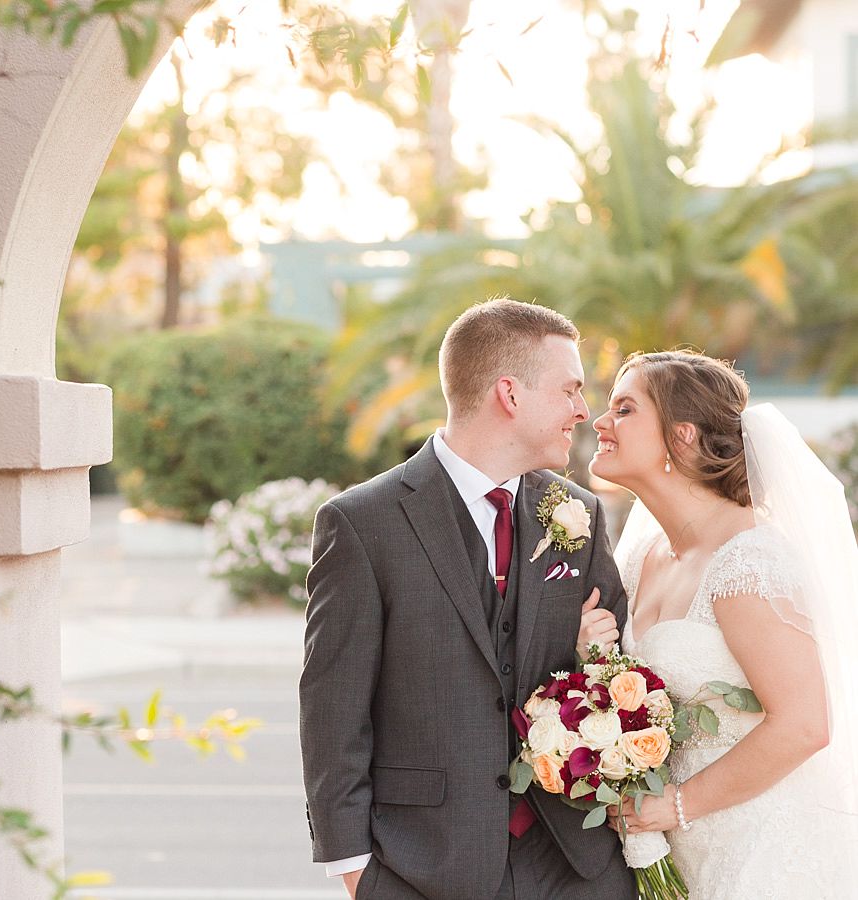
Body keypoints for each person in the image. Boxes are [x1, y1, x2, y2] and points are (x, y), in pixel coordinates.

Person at [300, 298, 636, 899]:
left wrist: (590, 654)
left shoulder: (578, 514)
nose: (583, 411)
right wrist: (354, 868)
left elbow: (615, 676)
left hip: (573, 863)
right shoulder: (363, 523)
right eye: (570, 390)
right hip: (421, 865)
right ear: (510, 394)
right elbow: (333, 706)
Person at [579, 349, 858, 898]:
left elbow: (805, 725)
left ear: (681, 437)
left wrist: (675, 805)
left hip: (764, 849)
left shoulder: (748, 560)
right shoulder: (644, 555)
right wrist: (592, 652)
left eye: (625, 409)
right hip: (680, 849)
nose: (600, 422)